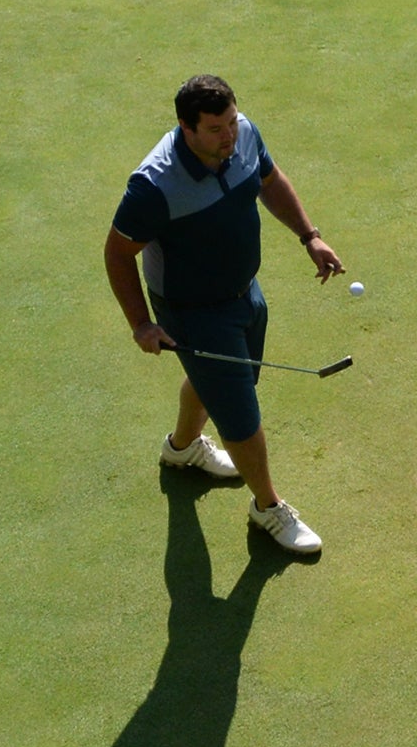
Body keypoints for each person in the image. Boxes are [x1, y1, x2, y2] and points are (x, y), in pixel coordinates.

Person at [104, 74, 346, 561]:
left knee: (225, 382)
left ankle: (182, 447)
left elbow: (270, 181)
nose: (228, 136)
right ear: (185, 127)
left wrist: (309, 236)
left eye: (232, 122)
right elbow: (116, 254)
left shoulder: (246, 135)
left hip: (244, 295)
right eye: (215, 129)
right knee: (240, 414)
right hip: (192, 311)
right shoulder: (154, 185)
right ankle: (268, 506)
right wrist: (141, 323)